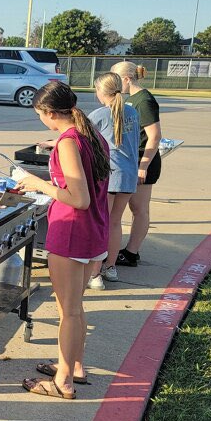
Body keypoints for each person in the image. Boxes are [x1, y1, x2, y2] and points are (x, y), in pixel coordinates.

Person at [16, 81, 109, 398]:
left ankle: (64, 382)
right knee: (75, 307)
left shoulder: (68, 143)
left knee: (67, 312)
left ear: (47, 112)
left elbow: (78, 198)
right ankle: (74, 366)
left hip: (71, 232)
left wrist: (37, 183)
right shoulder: (90, 134)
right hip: (93, 231)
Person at [88, 72, 140, 287]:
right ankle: (110, 267)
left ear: (102, 91)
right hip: (128, 173)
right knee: (115, 223)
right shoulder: (132, 112)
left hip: (109, 175)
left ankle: (94, 274)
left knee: (101, 223)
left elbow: (80, 139)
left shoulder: (100, 114)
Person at [110, 61, 163, 268]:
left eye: (116, 80)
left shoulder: (144, 101)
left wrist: (143, 165)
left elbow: (155, 136)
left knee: (139, 209)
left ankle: (131, 253)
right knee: (131, 207)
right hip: (131, 160)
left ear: (126, 79)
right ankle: (127, 250)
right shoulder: (131, 99)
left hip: (143, 162)